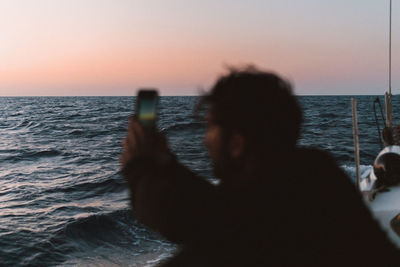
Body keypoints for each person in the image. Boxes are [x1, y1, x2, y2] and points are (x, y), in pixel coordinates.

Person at [121, 66, 400, 266]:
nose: (205, 140)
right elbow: (214, 207)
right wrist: (168, 166)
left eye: (210, 128)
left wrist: (138, 169)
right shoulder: (319, 175)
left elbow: (192, 217)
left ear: (237, 143)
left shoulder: (242, 229)